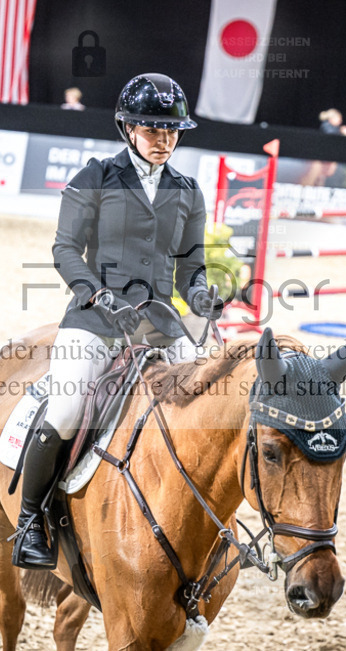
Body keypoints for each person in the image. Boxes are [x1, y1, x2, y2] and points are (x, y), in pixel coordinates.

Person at [12, 73, 224, 570]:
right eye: (154, 131)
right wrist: (97, 294)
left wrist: (201, 296)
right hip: (94, 322)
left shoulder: (188, 191)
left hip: (161, 325)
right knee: (65, 409)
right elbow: (65, 249)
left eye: (172, 132)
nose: (164, 141)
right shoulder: (96, 177)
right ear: (128, 128)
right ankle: (29, 521)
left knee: (206, 407)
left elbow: (190, 269)